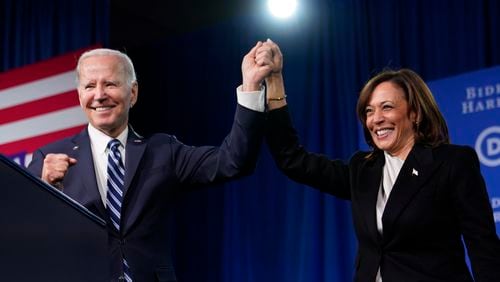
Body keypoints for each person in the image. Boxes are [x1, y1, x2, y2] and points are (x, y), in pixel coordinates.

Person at [26, 42, 275, 282]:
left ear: (132, 92)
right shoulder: (48, 158)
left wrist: (251, 87)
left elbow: (232, 162)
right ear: (80, 95)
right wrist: (45, 188)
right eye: (90, 86)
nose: (99, 95)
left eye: (110, 84)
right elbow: (23, 238)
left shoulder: (163, 150)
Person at [261, 40, 500, 281]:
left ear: (414, 113)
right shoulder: (363, 169)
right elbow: (293, 160)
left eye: (386, 107)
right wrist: (274, 82)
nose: (376, 119)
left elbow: (483, 245)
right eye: (368, 111)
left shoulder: (452, 163)